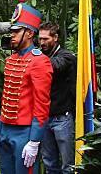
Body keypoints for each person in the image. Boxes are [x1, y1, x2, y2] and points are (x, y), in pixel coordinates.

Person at [0, 3, 53, 174]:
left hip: (25, 133)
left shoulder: (40, 61)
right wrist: (0, 132)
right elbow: (6, 99)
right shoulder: (11, 60)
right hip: (6, 130)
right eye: (11, 32)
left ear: (29, 33)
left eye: (16, 32)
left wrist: (34, 140)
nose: (12, 36)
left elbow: (42, 104)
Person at [38, 22, 76, 174]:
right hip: (45, 118)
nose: (42, 42)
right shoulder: (40, 55)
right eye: (40, 39)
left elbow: (55, 66)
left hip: (62, 119)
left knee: (68, 166)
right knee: (50, 165)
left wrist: (33, 60)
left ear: (55, 38)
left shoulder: (67, 56)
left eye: (46, 39)